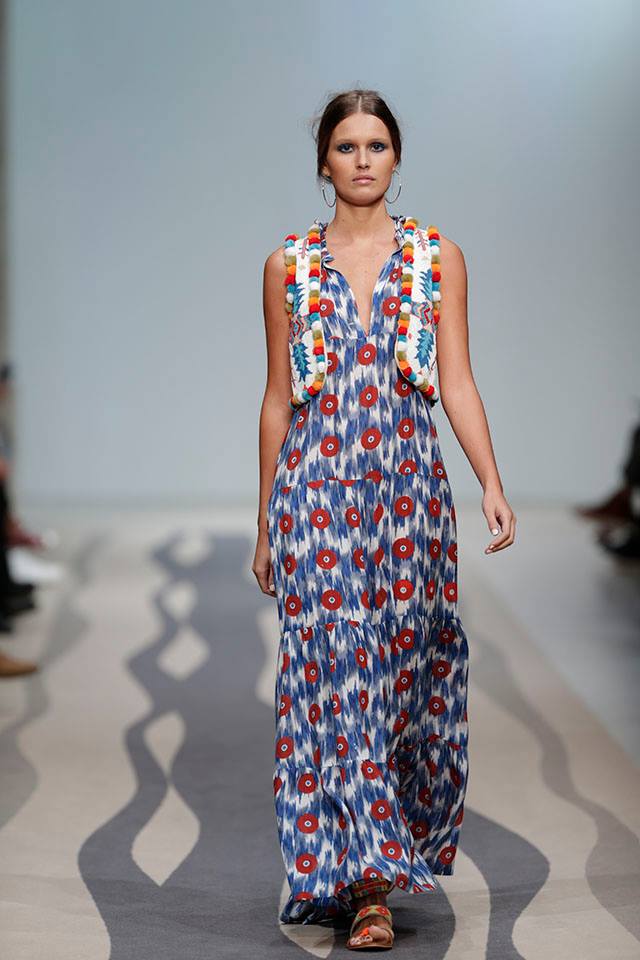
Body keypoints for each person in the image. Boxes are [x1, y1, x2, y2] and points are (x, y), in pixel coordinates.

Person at [253, 89, 516, 951]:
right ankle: (366, 888)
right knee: (338, 682)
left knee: (403, 679)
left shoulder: (437, 258)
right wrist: (266, 521)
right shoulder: (288, 266)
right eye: (346, 146)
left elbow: (457, 379)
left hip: (410, 500)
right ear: (322, 161)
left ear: (396, 157)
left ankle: (363, 857)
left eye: (375, 145)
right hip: (315, 494)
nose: (362, 160)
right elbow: (278, 398)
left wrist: (490, 479)